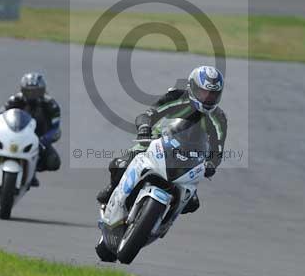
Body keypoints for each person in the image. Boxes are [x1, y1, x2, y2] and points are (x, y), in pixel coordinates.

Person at [96, 65, 227, 214]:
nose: (208, 98)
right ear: (192, 87)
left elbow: (218, 149)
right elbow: (148, 114)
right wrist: (144, 127)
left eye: (212, 95)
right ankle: (113, 190)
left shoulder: (219, 118)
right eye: (204, 93)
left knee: (192, 203)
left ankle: (162, 221)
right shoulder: (177, 97)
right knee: (120, 165)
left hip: (190, 158)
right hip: (157, 142)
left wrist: (211, 164)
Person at [0, 72, 61, 186]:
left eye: (35, 92)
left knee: (53, 162)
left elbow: (55, 128)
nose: (32, 95)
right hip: (10, 133)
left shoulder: (51, 105)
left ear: (42, 91)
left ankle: (32, 172)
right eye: (28, 91)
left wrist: (44, 140)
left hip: (37, 139)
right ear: (22, 90)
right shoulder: (15, 99)